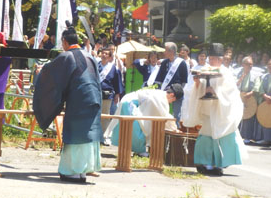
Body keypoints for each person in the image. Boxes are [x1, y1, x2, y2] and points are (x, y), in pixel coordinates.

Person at [32, 23, 102, 183]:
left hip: (79, 101)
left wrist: (40, 72)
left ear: (64, 41)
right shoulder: (90, 55)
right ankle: (83, 172)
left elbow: (51, 75)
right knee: (87, 135)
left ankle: (72, 172)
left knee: (76, 135)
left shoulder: (67, 56)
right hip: (94, 99)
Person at [181, 43, 245, 176]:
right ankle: (205, 162)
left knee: (221, 136)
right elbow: (197, 87)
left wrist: (215, 91)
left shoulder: (226, 72)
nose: (211, 60)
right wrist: (198, 84)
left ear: (220, 59)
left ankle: (218, 164)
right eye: (210, 58)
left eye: (214, 58)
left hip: (221, 111)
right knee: (206, 136)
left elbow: (230, 92)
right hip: (208, 110)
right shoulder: (204, 70)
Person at [109, 84, 184, 156]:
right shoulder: (161, 98)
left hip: (129, 102)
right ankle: (140, 151)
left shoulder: (161, 94)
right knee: (139, 126)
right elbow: (165, 116)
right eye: (173, 100)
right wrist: (174, 129)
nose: (172, 102)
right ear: (172, 95)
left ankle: (127, 149)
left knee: (131, 127)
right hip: (129, 103)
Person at [154, 42, 189, 125]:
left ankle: (175, 131)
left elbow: (184, 80)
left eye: (165, 50)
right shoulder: (164, 63)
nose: (164, 52)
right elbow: (159, 78)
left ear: (171, 52)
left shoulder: (181, 63)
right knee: (163, 112)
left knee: (176, 114)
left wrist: (179, 91)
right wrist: (158, 89)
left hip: (176, 92)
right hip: (165, 92)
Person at [99, 47, 124, 143]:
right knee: (96, 115)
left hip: (107, 94)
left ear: (110, 57)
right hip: (96, 93)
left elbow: (117, 82)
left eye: (106, 54)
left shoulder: (113, 68)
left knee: (105, 115)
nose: (104, 55)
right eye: (103, 53)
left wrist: (117, 94)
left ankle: (105, 136)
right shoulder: (96, 66)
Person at [237, 56, 261, 143]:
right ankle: (237, 135)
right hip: (239, 95)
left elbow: (257, 86)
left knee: (249, 117)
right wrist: (240, 80)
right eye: (248, 64)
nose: (250, 66)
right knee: (237, 116)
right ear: (243, 64)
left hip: (250, 97)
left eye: (251, 64)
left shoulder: (255, 75)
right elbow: (234, 84)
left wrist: (251, 92)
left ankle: (247, 137)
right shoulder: (238, 73)